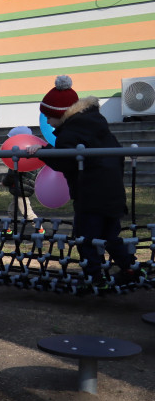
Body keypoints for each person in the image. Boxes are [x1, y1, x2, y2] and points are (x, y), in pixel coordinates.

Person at [28, 75, 136, 283]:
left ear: (62, 114)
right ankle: (130, 268)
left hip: (90, 196)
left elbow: (64, 160)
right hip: (113, 193)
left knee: (86, 239)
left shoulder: (70, 132)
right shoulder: (97, 124)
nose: (48, 123)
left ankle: (94, 278)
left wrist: (43, 152)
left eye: (49, 117)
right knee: (111, 237)